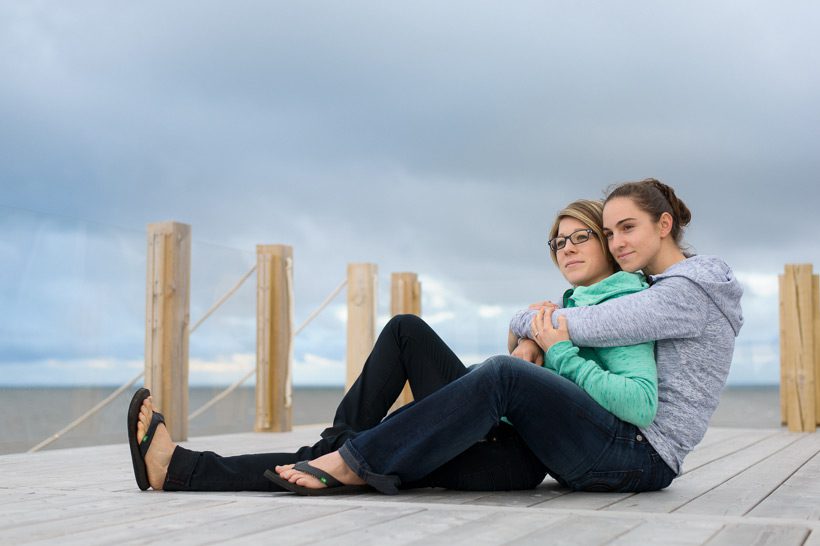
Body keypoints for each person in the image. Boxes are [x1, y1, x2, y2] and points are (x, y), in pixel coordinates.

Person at [128, 198, 655, 493]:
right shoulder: (567, 304)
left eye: (579, 237)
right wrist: (532, 343)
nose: (565, 249)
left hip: (513, 457)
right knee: (406, 328)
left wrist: (548, 349)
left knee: (342, 457)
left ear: (608, 244)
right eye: (557, 242)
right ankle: (335, 444)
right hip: (496, 426)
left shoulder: (623, 300)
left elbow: (623, 402)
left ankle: (186, 468)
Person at [272, 178, 743, 495]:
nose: (618, 243)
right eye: (611, 231)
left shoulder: (683, 294)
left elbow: (592, 327)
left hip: (641, 455)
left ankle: (352, 460)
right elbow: (585, 321)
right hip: (615, 439)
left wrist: (540, 334)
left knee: (504, 373)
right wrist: (538, 328)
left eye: (627, 229)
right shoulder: (662, 289)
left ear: (664, 226)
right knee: (409, 331)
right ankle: (342, 446)